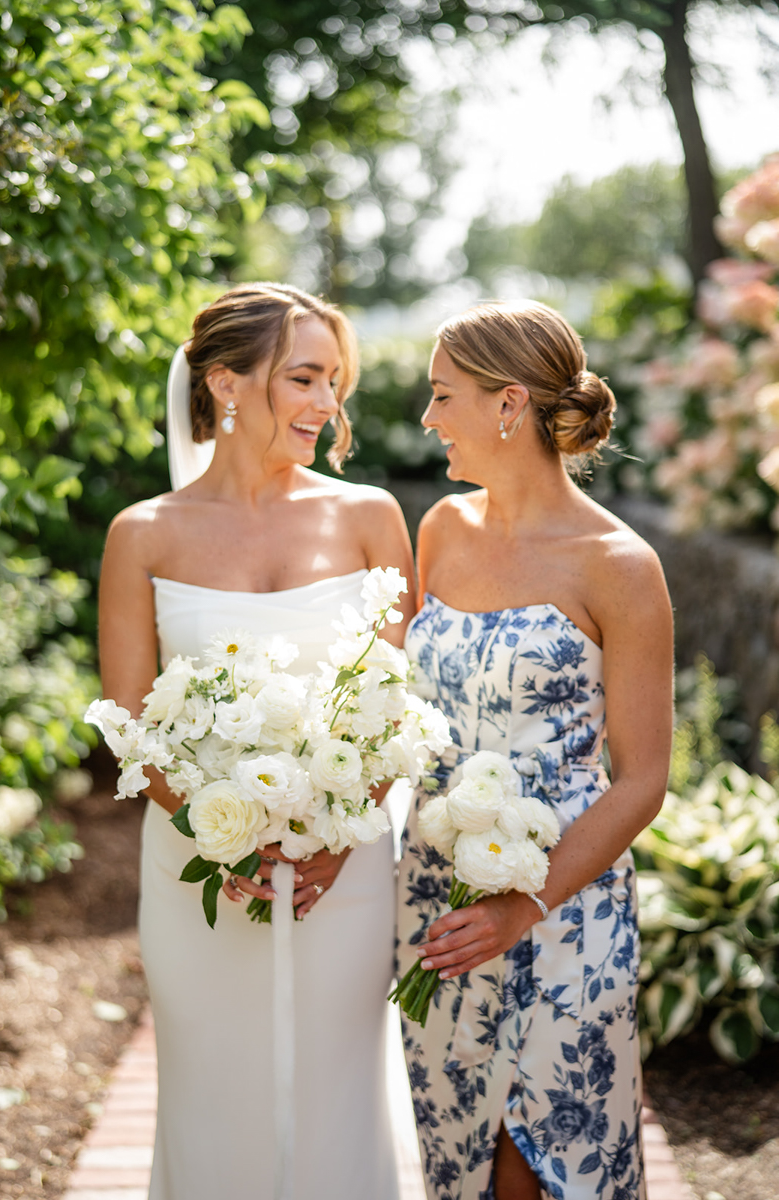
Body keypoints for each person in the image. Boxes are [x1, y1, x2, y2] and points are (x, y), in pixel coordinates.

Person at [98, 282, 416, 1200]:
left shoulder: (370, 519)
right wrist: (221, 830)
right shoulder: (143, 535)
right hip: (198, 870)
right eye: (306, 379)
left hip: (346, 871)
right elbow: (128, 725)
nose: (329, 405)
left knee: (337, 1096)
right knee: (211, 1099)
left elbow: (394, 705)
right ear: (227, 385)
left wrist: (332, 832)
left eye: (334, 382)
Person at [396, 301, 673, 1200]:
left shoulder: (619, 565)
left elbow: (643, 780)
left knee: (542, 1163)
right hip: (436, 898)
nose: (429, 418)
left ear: (508, 403)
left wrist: (527, 903)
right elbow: (399, 711)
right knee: (457, 1151)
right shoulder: (439, 529)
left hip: (564, 908)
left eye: (443, 397)